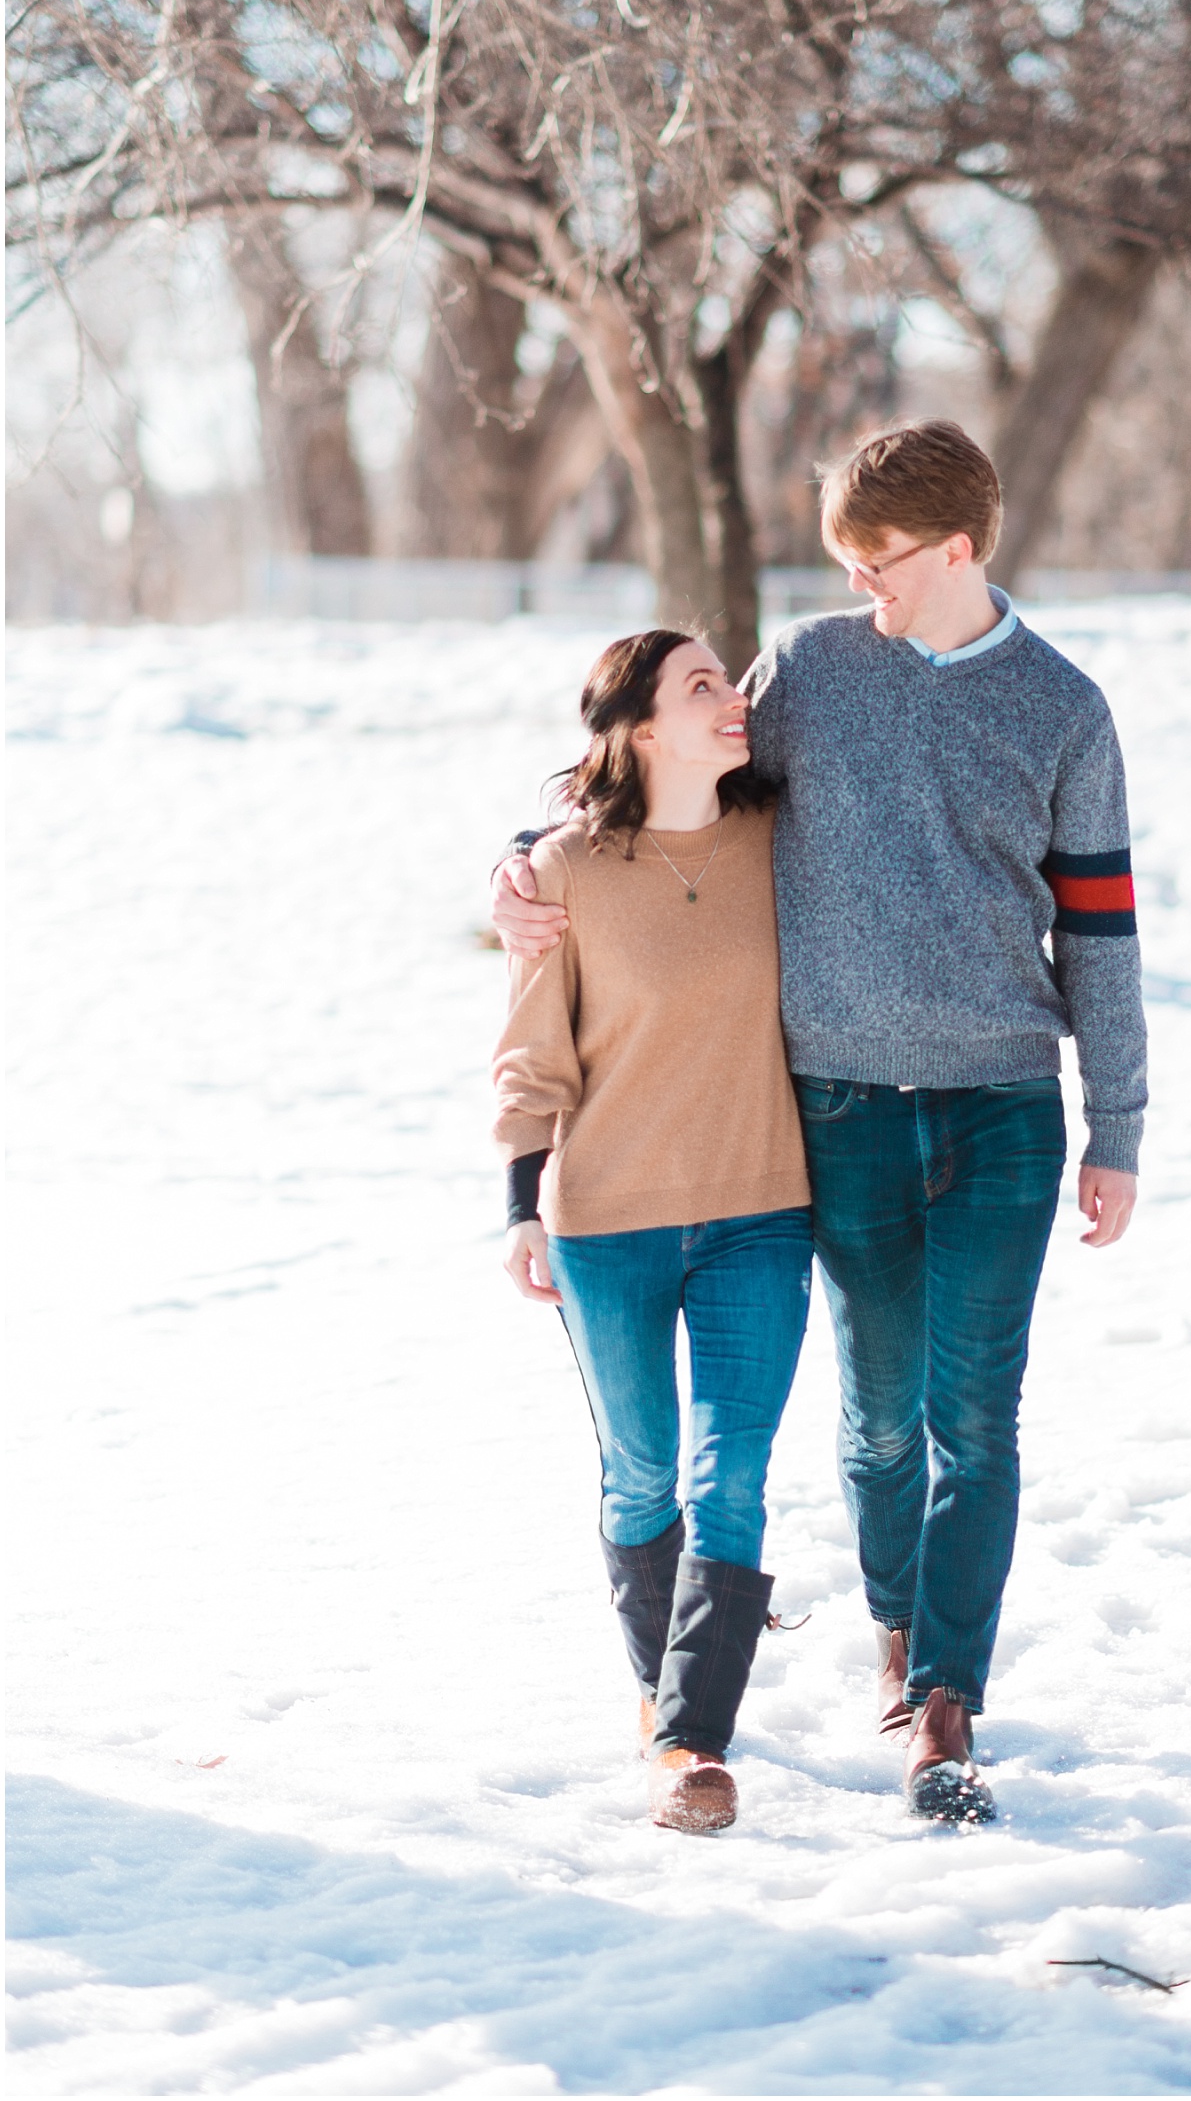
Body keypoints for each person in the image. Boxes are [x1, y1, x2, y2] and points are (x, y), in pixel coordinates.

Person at [494, 419, 1147, 1827]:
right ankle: (898, 1633)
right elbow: (651, 789)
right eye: (846, 560)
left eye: (884, 560)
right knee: (876, 1425)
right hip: (836, 1106)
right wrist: (516, 863)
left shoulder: (1064, 708)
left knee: (977, 1410)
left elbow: (1101, 939)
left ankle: (946, 1701)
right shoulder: (810, 672)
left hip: (1005, 1109)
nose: (863, 586)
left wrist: (1118, 1127)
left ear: (960, 547)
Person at [492, 627, 812, 1837]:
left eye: (728, 679)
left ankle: (691, 1745)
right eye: (702, 686)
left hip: (760, 1209)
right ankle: (658, 1696)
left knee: (729, 1477)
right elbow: (532, 1050)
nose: (735, 699)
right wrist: (519, 1206)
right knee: (641, 1475)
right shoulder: (564, 871)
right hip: (607, 1219)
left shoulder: (781, 842)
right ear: (637, 729)